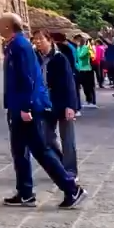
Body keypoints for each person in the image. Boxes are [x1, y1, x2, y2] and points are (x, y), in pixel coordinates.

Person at [0, 13, 87, 208]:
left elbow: (27, 79)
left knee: (41, 149)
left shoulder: (20, 46)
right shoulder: (15, 45)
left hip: (27, 107)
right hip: (17, 106)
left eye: (0, 24)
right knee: (19, 150)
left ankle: (72, 188)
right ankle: (25, 192)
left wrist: (26, 106)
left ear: (7, 27)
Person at [35, 29, 81, 174]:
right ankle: (62, 163)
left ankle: (71, 170)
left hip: (62, 101)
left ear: (49, 40)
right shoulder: (36, 58)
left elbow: (69, 83)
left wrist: (71, 106)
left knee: (67, 139)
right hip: (45, 104)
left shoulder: (60, 58)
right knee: (46, 138)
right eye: (35, 39)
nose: (37, 42)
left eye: (40, 39)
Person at [73, 32, 98, 109]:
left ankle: (92, 101)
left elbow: (81, 55)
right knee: (85, 87)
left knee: (89, 86)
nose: (76, 42)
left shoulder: (86, 48)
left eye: (77, 40)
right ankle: (88, 100)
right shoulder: (79, 48)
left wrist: (78, 48)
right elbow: (76, 58)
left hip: (87, 69)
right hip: (81, 69)